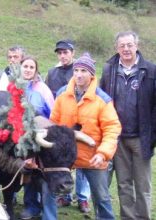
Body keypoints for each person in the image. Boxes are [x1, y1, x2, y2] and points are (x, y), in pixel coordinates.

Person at [50, 52, 121, 220]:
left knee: (101, 197)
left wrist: (102, 153)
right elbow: (53, 122)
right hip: (67, 155)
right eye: (76, 70)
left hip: (93, 156)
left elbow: (112, 128)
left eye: (83, 71)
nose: (79, 75)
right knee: (51, 188)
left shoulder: (102, 99)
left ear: (92, 74)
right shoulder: (62, 94)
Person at [100, 31, 156, 220]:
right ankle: (128, 218)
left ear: (137, 46)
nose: (126, 49)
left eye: (129, 45)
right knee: (123, 183)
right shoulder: (109, 69)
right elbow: (102, 100)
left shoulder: (150, 70)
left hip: (141, 137)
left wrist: (152, 135)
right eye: (122, 45)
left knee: (143, 185)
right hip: (118, 138)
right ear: (117, 48)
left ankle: (143, 217)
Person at [45, 39, 91, 213]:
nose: (62, 55)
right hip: (61, 125)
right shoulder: (52, 73)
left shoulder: (80, 71)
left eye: (65, 52)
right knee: (64, 162)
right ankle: (64, 196)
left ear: (72, 52)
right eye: (60, 53)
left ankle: (83, 198)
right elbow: (49, 98)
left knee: (81, 163)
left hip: (81, 125)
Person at [19, 56, 56, 220]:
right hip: (21, 137)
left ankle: (45, 208)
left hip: (40, 137)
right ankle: (31, 206)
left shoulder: (42, 89)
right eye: (25, 66)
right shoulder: (15, 87)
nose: (27, 69)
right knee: (27, 171)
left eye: (31, 67)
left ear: (36, 70)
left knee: (41, 174)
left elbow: (53, 114)